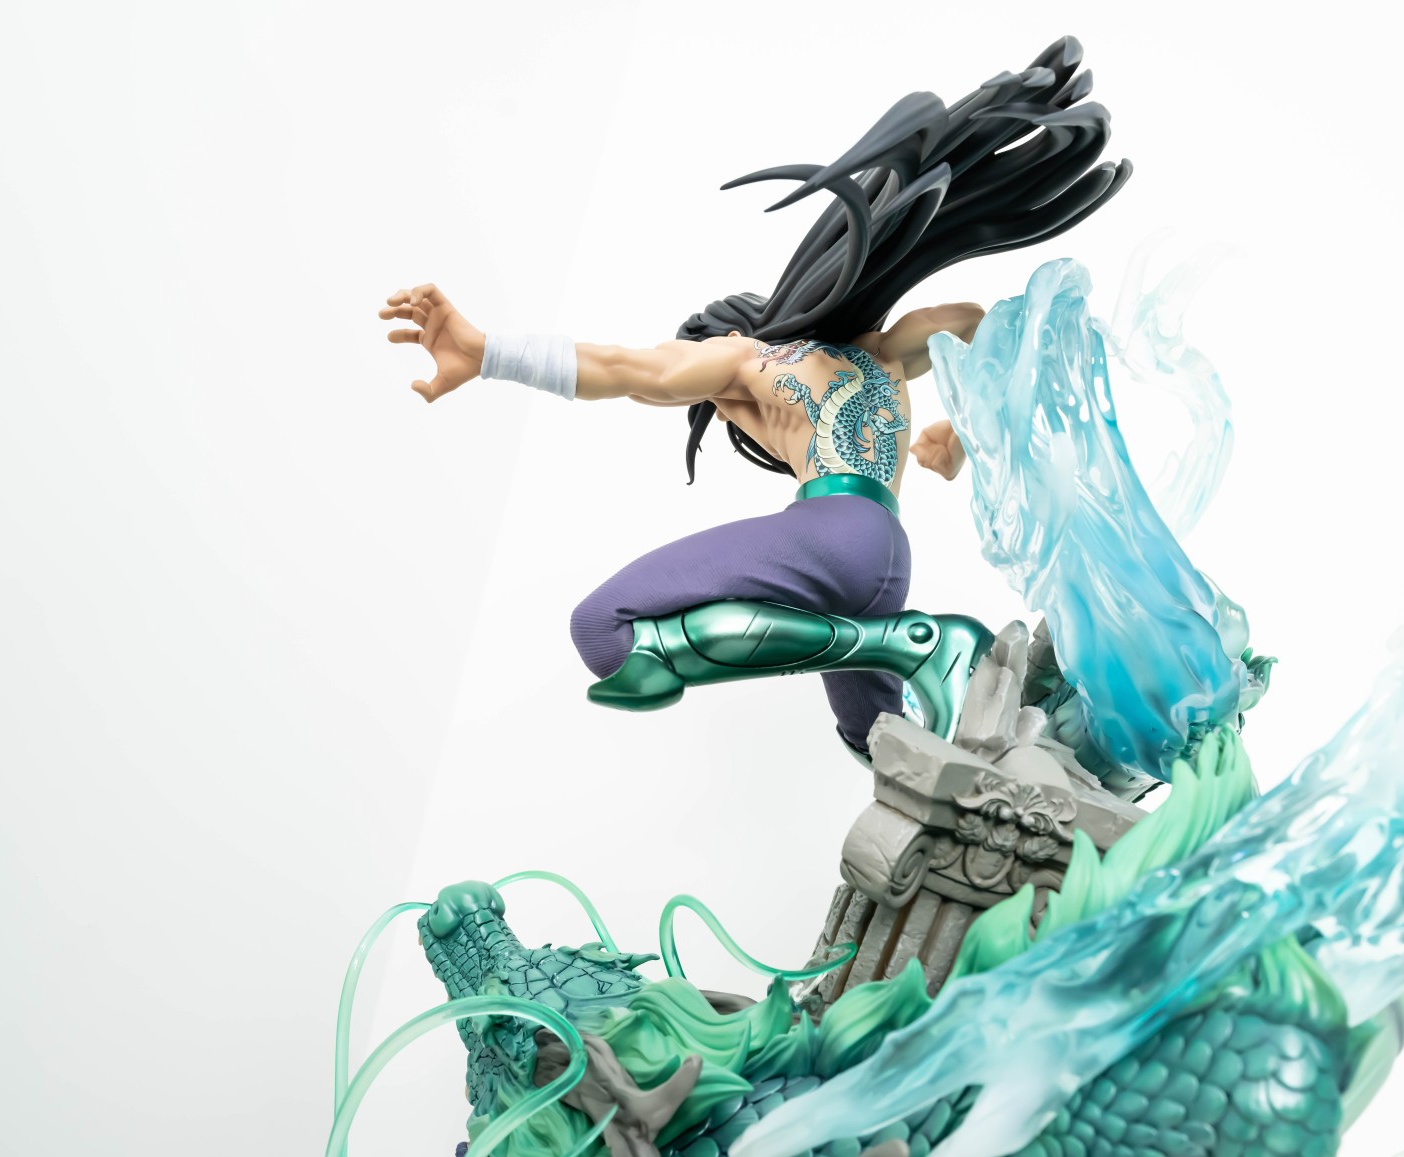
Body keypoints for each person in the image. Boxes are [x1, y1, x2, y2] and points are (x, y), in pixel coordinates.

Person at [377, 36, 1131, 761]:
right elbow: (976, 326)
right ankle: (968, 717)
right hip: (887, 552)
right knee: (878, 740)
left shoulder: (745, 358)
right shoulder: (884, 352)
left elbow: (624, 369)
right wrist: (963, 431)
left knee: (605, 630)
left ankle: (911, 643)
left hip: (829, 533)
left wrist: (488, 352)